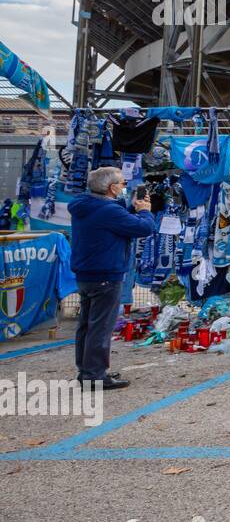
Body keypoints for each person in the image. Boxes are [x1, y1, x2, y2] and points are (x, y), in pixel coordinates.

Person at [67, 167, 156, 390]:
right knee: (101, 327)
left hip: (87, 274)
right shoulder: (108, 210)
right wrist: (145, 211)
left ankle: (87, 371)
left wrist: (131, 207)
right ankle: (95, 376)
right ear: (112, 187)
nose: (124, 187)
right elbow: (144, 228)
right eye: (122, 183)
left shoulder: (85, 205)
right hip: (106, 274)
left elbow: (114, 219)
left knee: (87, 325)